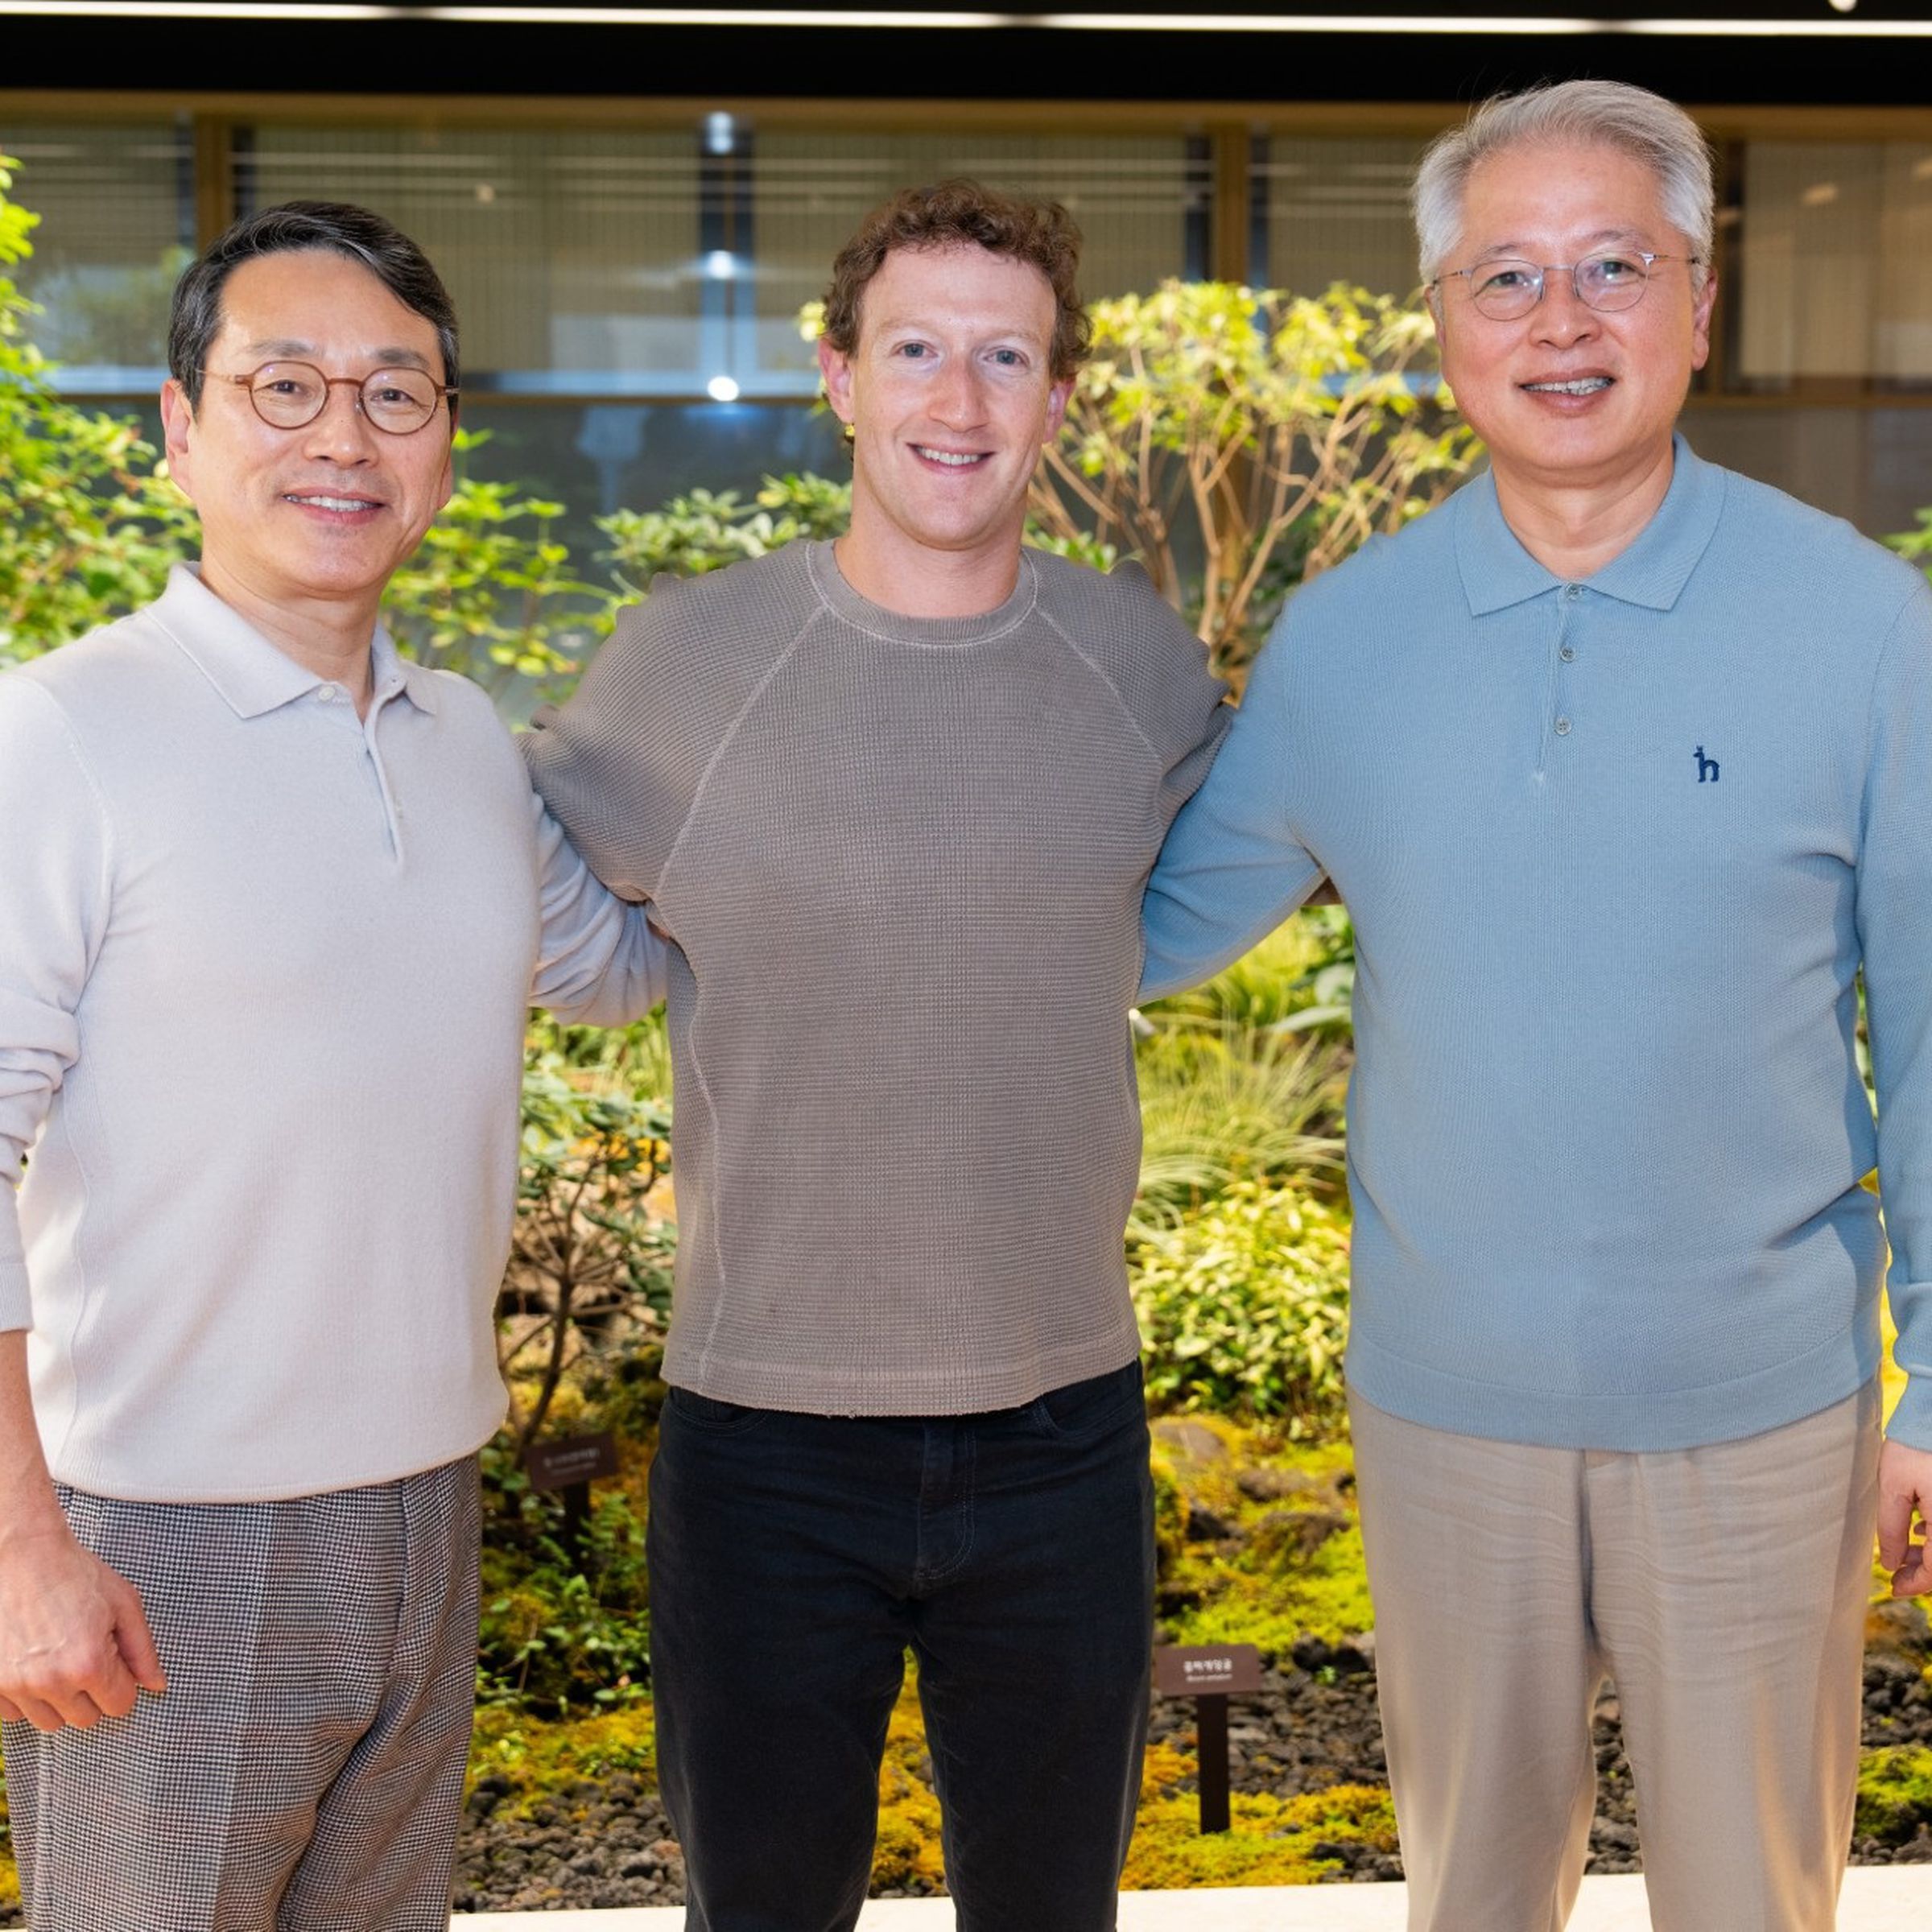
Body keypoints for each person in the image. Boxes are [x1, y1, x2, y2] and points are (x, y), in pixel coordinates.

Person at [1141, 78, 1932, 1932]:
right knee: (1473, 1893)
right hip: (1443, 1410)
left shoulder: (1869, 625)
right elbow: (1141, 930)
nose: (1560, 322)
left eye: (1613, 268)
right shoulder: (1346, 640)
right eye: (1506, 275)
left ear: (1702, 300)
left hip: (1762, 1409)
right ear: (1443, 321)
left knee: (1754, 1901)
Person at [525, 179, 1228, 1930]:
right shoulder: (686, 669)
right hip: (765, 1437)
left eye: (1007, 357)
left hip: (1063, 1433)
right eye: (916, 349)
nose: (959, 401)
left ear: (1061, 396)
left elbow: (1168, 900)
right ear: (837, 376)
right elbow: (526, 888)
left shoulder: (1136, 667)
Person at [0, 201, 663, 1932]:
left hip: (429, 1503)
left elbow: (625, 970)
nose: (341, 437)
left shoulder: (460, 743)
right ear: (178, 428)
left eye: (394, 393)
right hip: (161, 1531)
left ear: (446, 445)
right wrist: (17, 1555)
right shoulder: (63, 733)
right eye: (282, 385)